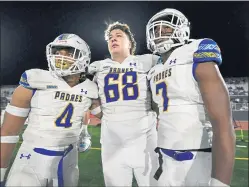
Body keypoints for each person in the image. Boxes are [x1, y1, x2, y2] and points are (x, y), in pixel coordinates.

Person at [146, 8, 236, 186]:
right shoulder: (154, 70)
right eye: (156, 30)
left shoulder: (194, 51)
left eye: (166, 28)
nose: (159, 32)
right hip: (165, 159)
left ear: (181, 30)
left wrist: (220, 182)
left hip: (198, 158)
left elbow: (223, 124)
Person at [0, 33, 101, 187]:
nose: (61, 57)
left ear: (83, 57)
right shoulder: (35, 79)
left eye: (68, 52)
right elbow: (8, 133)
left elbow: (103, 115)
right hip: (31, 156)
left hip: (68, 159)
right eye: (57, 52)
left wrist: (84, 133)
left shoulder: (91, 88)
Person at [88, 22, 159, 186]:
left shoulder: (148, 60)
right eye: (110, 38)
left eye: (119, 36)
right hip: (112, 141)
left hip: (145, 137)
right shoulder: (98, 66)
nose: (113, 39)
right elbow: (86, 92)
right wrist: (100, 113)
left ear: (130, 42)